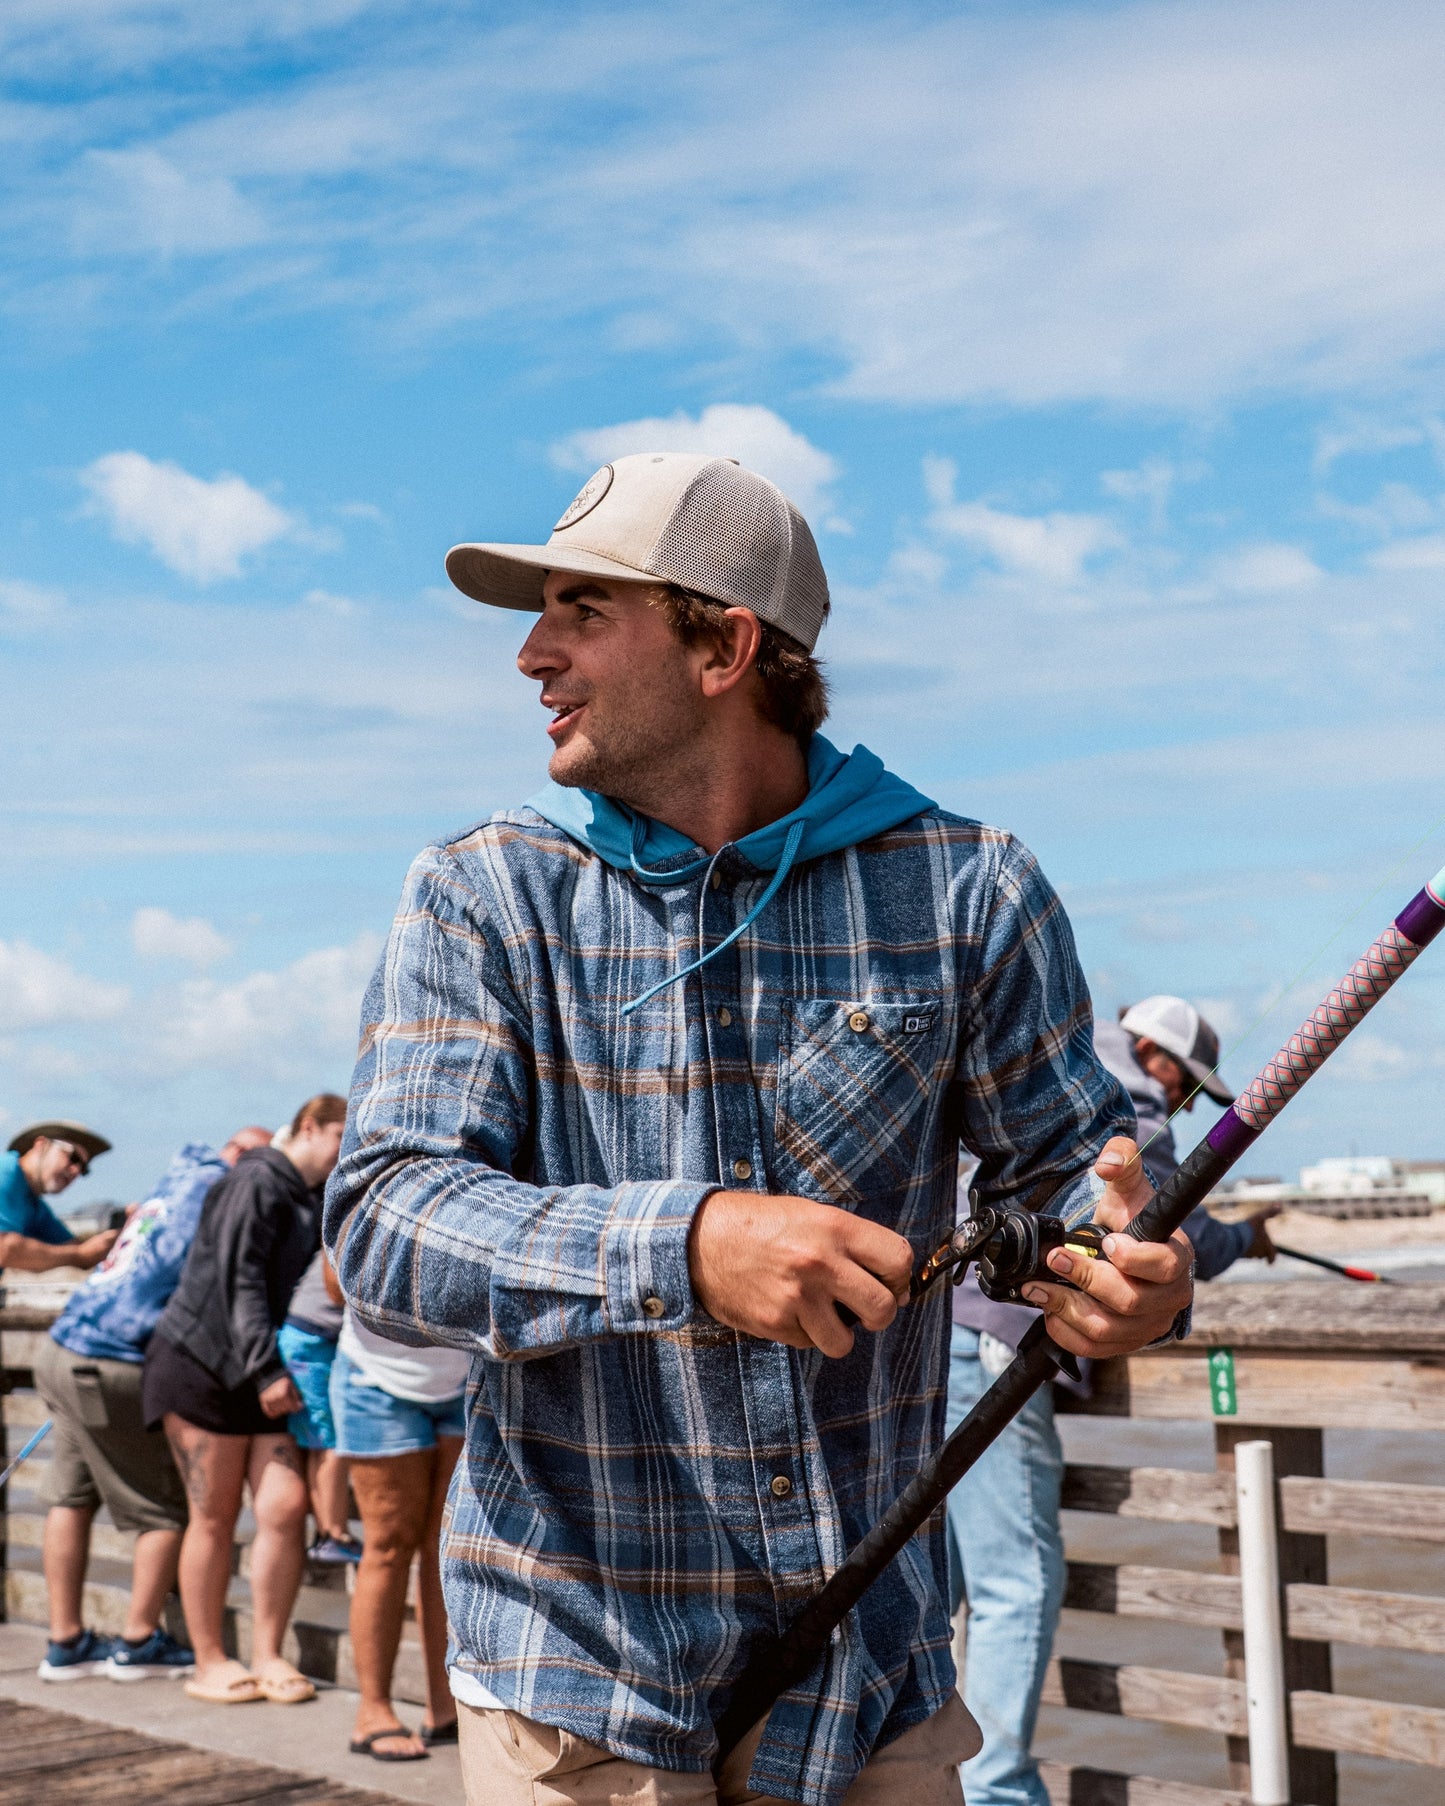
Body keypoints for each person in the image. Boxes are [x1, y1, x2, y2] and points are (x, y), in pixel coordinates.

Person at [325, 452, 1194, 1806]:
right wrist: (686, 1240)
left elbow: (1078, 1190)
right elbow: (384, 1220)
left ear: (724, 644)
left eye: (581, 609)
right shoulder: (481, 893)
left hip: (876, 1681)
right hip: (577, 1686)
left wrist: (1128, 1278)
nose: (531, 654)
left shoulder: (971, 885)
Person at [944, 995, 1276, 1806]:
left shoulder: (1058, 1061)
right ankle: (994, 1792)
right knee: (1015, 1581)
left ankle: (926, 1777)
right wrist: (1245, 1236)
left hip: (930, 1338)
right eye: (1191, 1086)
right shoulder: (1131, 1111)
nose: (1184, 1102)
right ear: (1162, 1063)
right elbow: (1166, 1229)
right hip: (997, 1343)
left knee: (940, 1579)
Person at [34, 1126, 272, 1683]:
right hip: (111, 1359)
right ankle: (138, 1639)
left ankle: (64, 1642)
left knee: (71, 1497)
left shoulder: (174, 1180)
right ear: (239, 1157)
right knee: (164, 1509)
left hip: (62, 1345)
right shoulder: (221, 1191)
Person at [143, 1093, 345, 1707]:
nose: (350, 1149)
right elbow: (239, 1278)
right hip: (201, 1368)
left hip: (262, 1373)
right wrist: (265, 1369)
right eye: (343, 1134)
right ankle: (209, 1659)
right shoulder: (257, 1178)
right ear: (308, 1126)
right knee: (215, 1515)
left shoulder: (311, 1196)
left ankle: (267, 1652)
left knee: (283, 1509)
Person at [330, 1312, 467, 1762]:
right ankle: (373, 1710)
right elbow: (338, 1283)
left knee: (447, 1547)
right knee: (388, 1546)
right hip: (378, 1378)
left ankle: (444, 1707)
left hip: (468, 1374)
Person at [278, 1249, 360, 1566]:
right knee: (332, 1442)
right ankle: (334, 1534)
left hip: (305, 1337)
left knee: (320, 1442)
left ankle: (327, 1533)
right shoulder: (352, 1222)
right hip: (312, 1340)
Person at [0, 1122, 119, 1277]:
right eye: (73, 1158)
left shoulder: (35, 1207)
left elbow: (78, 1249)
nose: (76, 1171)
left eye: (83, 1169)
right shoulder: (4, 1172)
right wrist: (78, 1255)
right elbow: (4, 1248)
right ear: (41, 1144)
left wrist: (132, 1226)